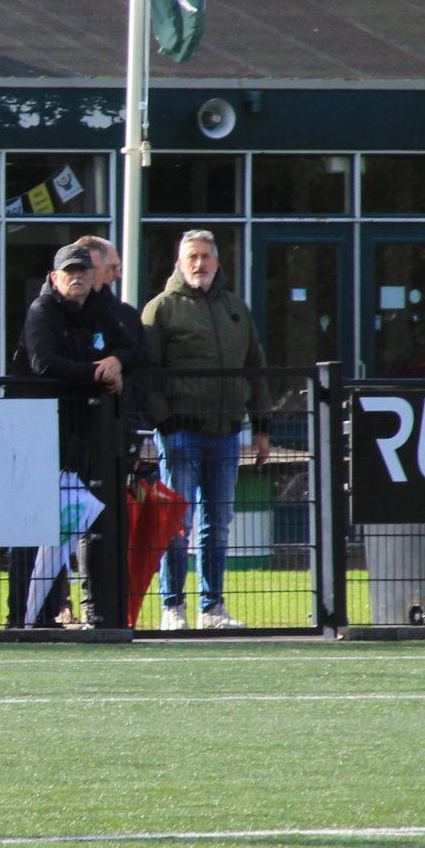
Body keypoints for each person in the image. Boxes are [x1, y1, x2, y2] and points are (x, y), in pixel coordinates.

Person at [140, 228, 270, 631]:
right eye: (192, 256)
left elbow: (256, 368)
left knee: (218, 521)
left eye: (206, 256)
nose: (200, 263)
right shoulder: (161, 309)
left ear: (218, 261)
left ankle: (212, 608)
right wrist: (164, 420)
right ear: (179, 262)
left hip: (227, 432)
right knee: (176, 521)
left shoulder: (236, 309)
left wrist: (261, 426)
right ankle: (172, 607)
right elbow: (146, 373)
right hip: (180, 432)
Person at [25, 241, 146, 630]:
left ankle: (98, 611)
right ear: (54, 277)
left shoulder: (99, 311)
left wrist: (116, 360)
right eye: (69, 272)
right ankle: (35, 615)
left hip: (89, 434)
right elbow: (43, 362)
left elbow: (134, 348)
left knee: (92, 522)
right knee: (44, 525)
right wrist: (97, 373)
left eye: (83, 272)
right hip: (46, 433)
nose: (77, 278)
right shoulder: (42, 311)